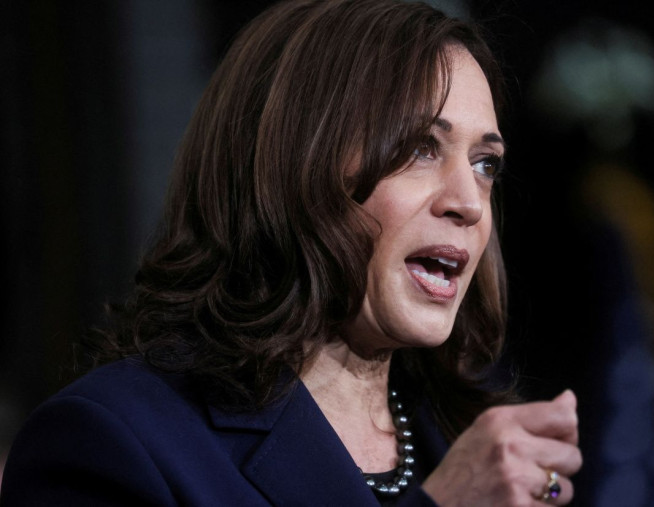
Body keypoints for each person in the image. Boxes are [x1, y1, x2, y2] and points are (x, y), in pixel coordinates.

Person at [0, 0, 582, 505]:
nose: (470, 204)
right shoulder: (110, 443)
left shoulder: (469, 442)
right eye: (419, 148)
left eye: (485, 165)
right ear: (291, 166)